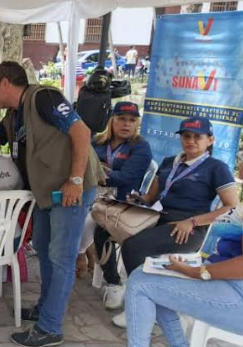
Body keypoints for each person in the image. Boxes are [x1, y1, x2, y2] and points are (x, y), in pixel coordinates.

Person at [0, 61, 104, 347]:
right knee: (42, 247)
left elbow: (81, 132)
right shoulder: (13, 115)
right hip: (45, 193)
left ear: (5, 83)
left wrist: (75, 180)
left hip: (69, 189)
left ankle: (50, 328)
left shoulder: (44, 98)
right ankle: (45, 308)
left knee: (61, 256)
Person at [111, 116, 239, 328]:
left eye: (197, 136)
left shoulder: (216, 167)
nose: (191, 140)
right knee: (106, 229)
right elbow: (151, 196)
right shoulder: (169, 161)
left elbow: (231, 207)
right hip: (157, 218)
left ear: (210, 140)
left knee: (134, 247)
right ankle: (114, 284)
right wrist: (137, 201)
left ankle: (143, 305)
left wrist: (193, 221)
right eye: (186, 136)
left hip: (188, 228)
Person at [124, 204, 243, 347]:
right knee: (147, 275)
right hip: (226, 277)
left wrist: (194, 272)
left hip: (236, 291)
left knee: (140, 285)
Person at [86, 102, 153, 310]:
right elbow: (82, 165)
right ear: (112, 120)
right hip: (91, 198)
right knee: (69, 221)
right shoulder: (97, 141)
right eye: (121, 119)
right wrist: (103, 173)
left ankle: (114, 282)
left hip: (122, 205)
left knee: (100, 231)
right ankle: (74, 264)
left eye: (132, 120)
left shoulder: (141, 146)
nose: (126, 124)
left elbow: (126, 177)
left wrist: (98, 172)